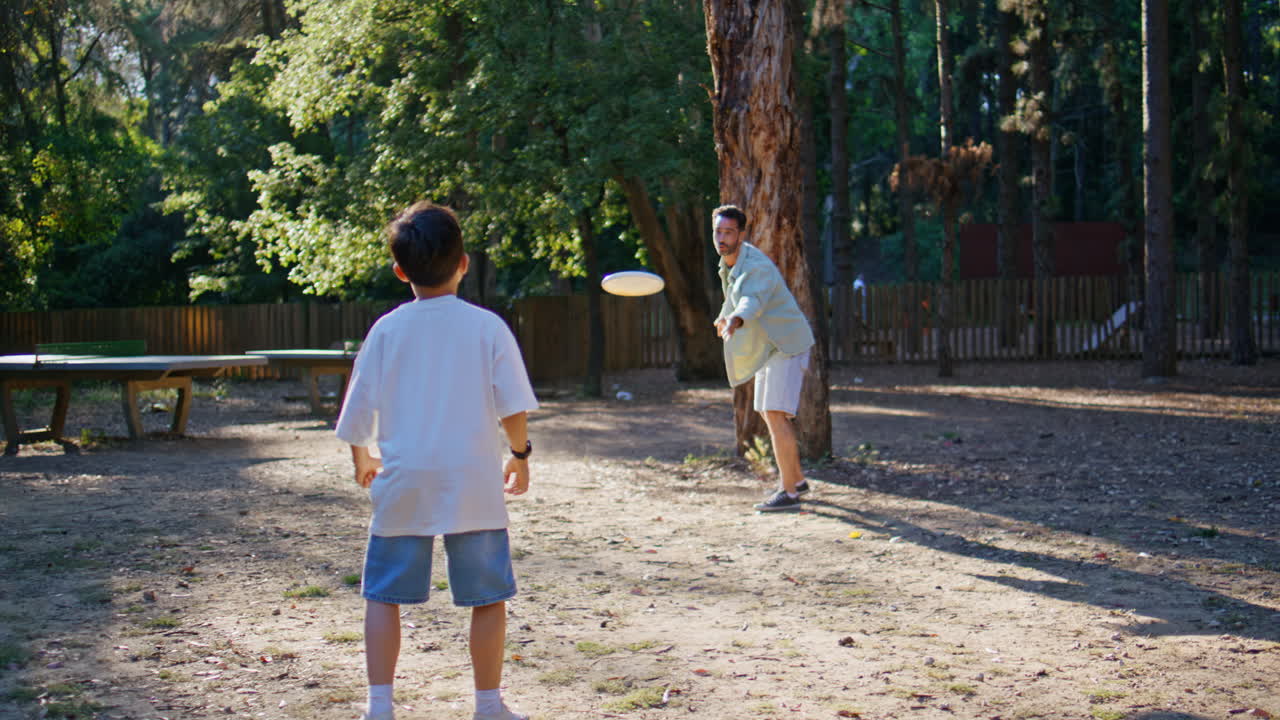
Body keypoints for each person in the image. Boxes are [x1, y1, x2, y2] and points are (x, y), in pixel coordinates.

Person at [335, 201, 538, 720]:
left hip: (405, 480)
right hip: (471, 479)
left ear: (400, 270)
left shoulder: (386, 330)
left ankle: (380, 706)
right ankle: (488, 705)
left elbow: (358, 405)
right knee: (488, 597)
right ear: (464, 263)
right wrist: (519, 455)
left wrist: (362, 456)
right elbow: (512, 406)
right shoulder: (487, 327)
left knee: (384, 595)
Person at [711, 204, 817, 512]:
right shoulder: (729, 262)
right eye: (718, 231)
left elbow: (750, 300)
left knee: (774, 413)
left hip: (787, 344)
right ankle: (796, 480)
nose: (722, 238)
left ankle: (789, 494)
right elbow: (734, 297)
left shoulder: (755, 265)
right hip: (770, 347)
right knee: (768, 412)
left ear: (741, 234)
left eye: (729, 232)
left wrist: (735, 320)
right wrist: (724, 316)